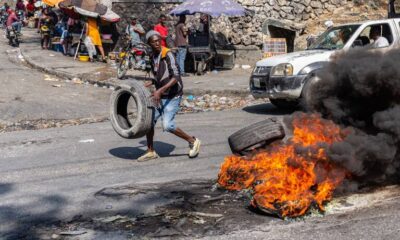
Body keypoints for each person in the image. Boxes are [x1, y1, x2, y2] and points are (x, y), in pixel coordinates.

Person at [138, 30, 201, 162]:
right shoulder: (152, 56)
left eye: (158, 40)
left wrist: (160, 90)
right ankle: (150, 151)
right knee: (149, 122)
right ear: (149, 43)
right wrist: (153, 82)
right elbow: (159, 75)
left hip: (172, 95)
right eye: (153, 41)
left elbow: (176, 77)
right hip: (160, 95)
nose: (157, 43)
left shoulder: (168, 54)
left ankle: (193, 141)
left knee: (167, 126)